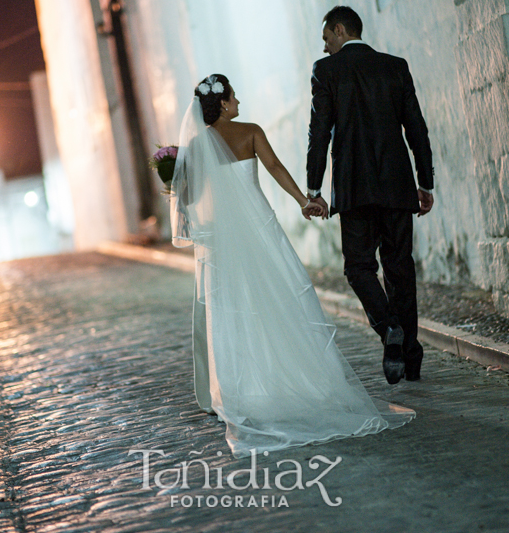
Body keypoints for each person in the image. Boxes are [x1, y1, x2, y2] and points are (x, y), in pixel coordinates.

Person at [170, 74, 415, 458]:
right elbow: (276, 168)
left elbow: (190, 195)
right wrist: (305, 200)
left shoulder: (198, 145)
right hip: (259, 229)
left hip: (221, 239)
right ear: (222, 102)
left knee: (232, 309)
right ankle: (297, 380)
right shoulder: (250, 131)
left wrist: (174, 178)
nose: (239, 102)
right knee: (278, 300)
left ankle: (244, 390)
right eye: (234, 96)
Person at [305, 6, 434, 385]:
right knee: (399, 268)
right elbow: (417, 129)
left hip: (354, 188)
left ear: (340, 30)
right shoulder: (396, 66)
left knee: (359, 268)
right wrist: (425, 182)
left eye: (327, 38)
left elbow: (319, 133)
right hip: (397, 185)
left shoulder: (325, 71)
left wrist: (314, 188)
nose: (325, 47)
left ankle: (389, 327)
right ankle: (410, 358)